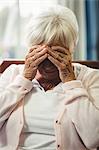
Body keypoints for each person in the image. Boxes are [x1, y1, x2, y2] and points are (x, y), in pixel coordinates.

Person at [0, 4, 99, 150]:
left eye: (57, 54)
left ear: (72, 49)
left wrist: (70, 82)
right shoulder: (13, 73)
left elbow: (94, 139)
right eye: (41, 54)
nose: (48, 63)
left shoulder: (91, 78)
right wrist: (24, 80)